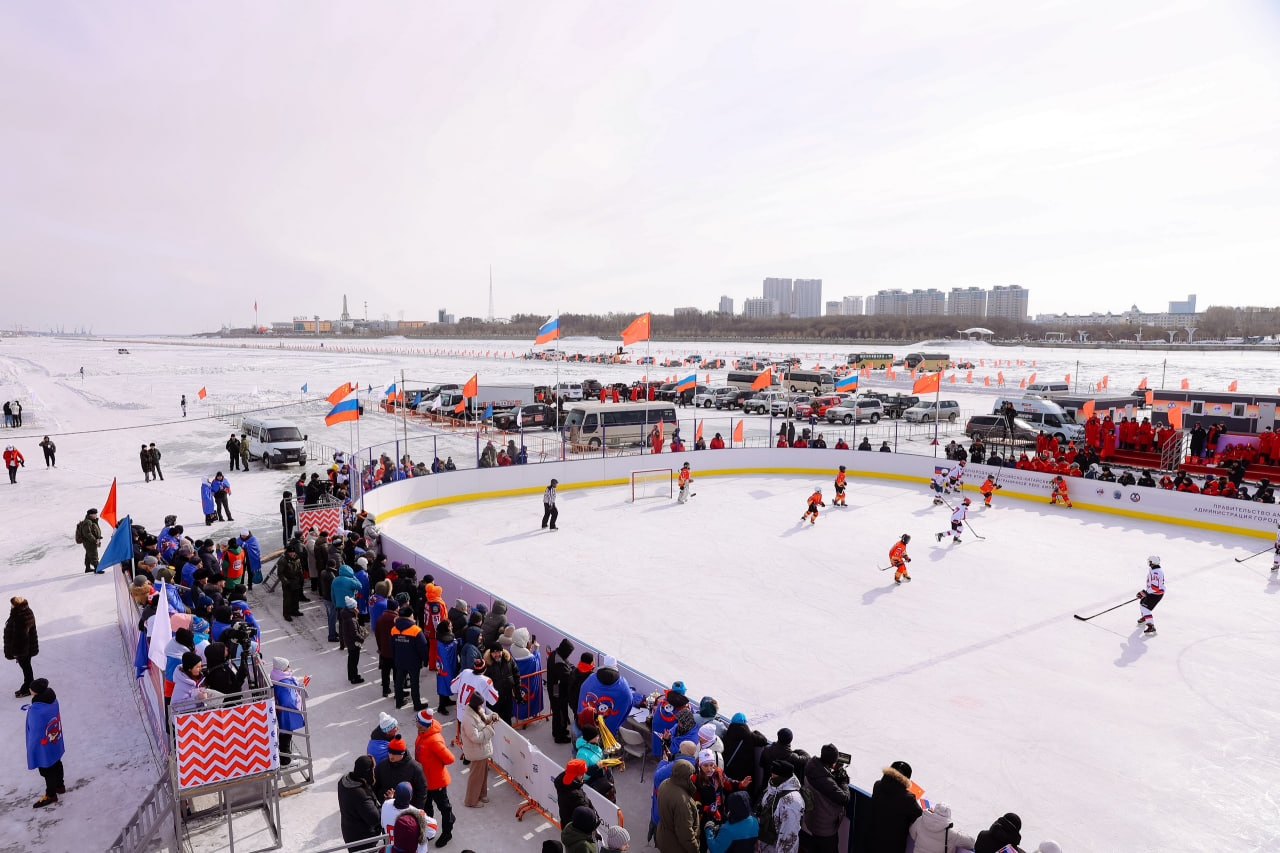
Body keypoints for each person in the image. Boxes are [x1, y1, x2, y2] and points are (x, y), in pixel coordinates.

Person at [413, 708, 456, 846]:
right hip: (425, 780)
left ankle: (447, 833)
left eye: (417, 721)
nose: (415, 723)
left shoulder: (434, 740)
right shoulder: (422, 733)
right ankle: (430, 830)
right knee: (426, 807)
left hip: (437, 782)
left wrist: (436, 765)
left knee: (444, 808)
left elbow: (449, 759)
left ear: (422, 724)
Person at [800, 745, 851, 853]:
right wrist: (843, 782)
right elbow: (845, 799)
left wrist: (831, 775)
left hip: (812, 821)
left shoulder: (812, 768)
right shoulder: (825, 781)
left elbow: (822, 784)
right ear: (832, 762)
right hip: (825, 830)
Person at [25, 678, 66, 808]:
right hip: (53, 740)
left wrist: (32, 748)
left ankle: (51, 795)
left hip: (43, 744)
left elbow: (35, 731)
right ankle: (60, 786)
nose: (29, 689)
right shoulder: (52, 700)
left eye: (31, 688)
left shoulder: (37, 709)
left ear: (36, 692)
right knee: (57, 762)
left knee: (46, 768)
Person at [865, 760, 921, 853]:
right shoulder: (908, 798)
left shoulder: (877, 785)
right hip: (892, 847)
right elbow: (919, 817)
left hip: (871, 843)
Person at [757, 756, 805, 853]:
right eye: (772, 774)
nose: (772, 777)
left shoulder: (792, 801)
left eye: (775, 776)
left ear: (783, 777)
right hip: (765, 845)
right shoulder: (772, 787)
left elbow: (789, 835)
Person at [459, 692, 497, 808]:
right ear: (476, 705)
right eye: (480, 704)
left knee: (483, 775)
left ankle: (481, 795)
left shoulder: (477, 711)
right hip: (476, 752)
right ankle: (471, 800)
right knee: (476, 777)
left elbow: (484, 720)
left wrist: (492, 717)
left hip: (481, 751)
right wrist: (489, 729)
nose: (481, 706)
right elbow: (476, 738)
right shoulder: (468, 719)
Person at [337, 755, 382, 852]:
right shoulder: (360, 794)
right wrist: (385, 805)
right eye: (372, 769)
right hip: (363, 839)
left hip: (349, 832)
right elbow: (375, 818)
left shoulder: (344, 781)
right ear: (368, 772)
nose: (374, 773)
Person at [391, 608, 432, 711]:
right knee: (414, 684)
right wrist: (425, 660)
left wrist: (395, 658)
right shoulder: (415, 630)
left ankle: (399, 702)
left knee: (399, 682)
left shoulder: (394, 629)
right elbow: (423, 647)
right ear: (410, 616)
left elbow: (391, 646)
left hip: (400, 660)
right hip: (413, 662)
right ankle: (417, 704)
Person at [655, 759, 700, 853]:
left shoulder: (665, 783)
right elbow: (685, 835)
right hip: (676, 845)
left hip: (664, 835)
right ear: (685, 777)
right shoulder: (682, 802)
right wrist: (695, 850)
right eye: (690, 775)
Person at [374, 736, 429, 811]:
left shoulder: (415, 768)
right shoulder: (382, 765)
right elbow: (375, 785)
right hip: (385, 807)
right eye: (390, 753)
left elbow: (422, 791)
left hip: (406, 810)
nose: (391, 756)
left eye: (394, 754)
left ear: (402, 754)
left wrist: (416, 810)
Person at [270, 658, 305, 766]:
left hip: (282, 710)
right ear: (282, 668)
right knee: (286, 734)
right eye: (287, 666)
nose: (289, 667)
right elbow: (288, 699)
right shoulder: (283, 681)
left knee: (286, 734)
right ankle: (285, 760)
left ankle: (287, 754)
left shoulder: (277, 676)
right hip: (286, 711)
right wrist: (296, 699)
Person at [909, 801, 976, 853]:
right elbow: (971, 843)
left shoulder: (920, 820)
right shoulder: (951, 833)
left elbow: (912, 833)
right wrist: (958, 832)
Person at [5, 597, 39, 698]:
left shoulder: (20, 617)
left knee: (26, 668)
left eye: (12, 604)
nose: (11, 606)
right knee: (26, 667)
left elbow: (21, 637)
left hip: (23, 650)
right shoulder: (25, 612)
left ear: (17, 606)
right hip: (27, 648)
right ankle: (29, 687)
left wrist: (17, 652)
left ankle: (28, 688)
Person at [547, 637, 577, 743]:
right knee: (559, 712)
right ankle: (559, 736)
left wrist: (574, 669)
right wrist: (576, 674)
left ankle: (558, 731)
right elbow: (567, 676)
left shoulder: (557, 654)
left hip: (557, 688)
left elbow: (568, 664)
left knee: (560, 712)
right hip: (557, 691)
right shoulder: (558, 661)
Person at [1137, 555, 1165, 636]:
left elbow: (1155, 587)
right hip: (1152, 592)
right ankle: (1146, 617)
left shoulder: (1156, 573)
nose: (1148, 563)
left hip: (1156, 594)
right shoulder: (1154, 569)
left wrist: (1145, 593)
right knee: (1142, 603)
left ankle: (1151, 626)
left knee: (1145, 608)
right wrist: (1145, 593)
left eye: (1149, 562)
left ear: (1153, 562)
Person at [75, 508, 102, 574]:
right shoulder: (88, 522)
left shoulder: (91, 521)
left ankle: (87, 568)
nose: (96, 515)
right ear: (91, 515)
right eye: (95, 514)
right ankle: (97, 568)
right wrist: (94, 540)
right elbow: (87, 533)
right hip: (89, 542)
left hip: (89, 541)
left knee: (88, 554)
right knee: (94, 554)